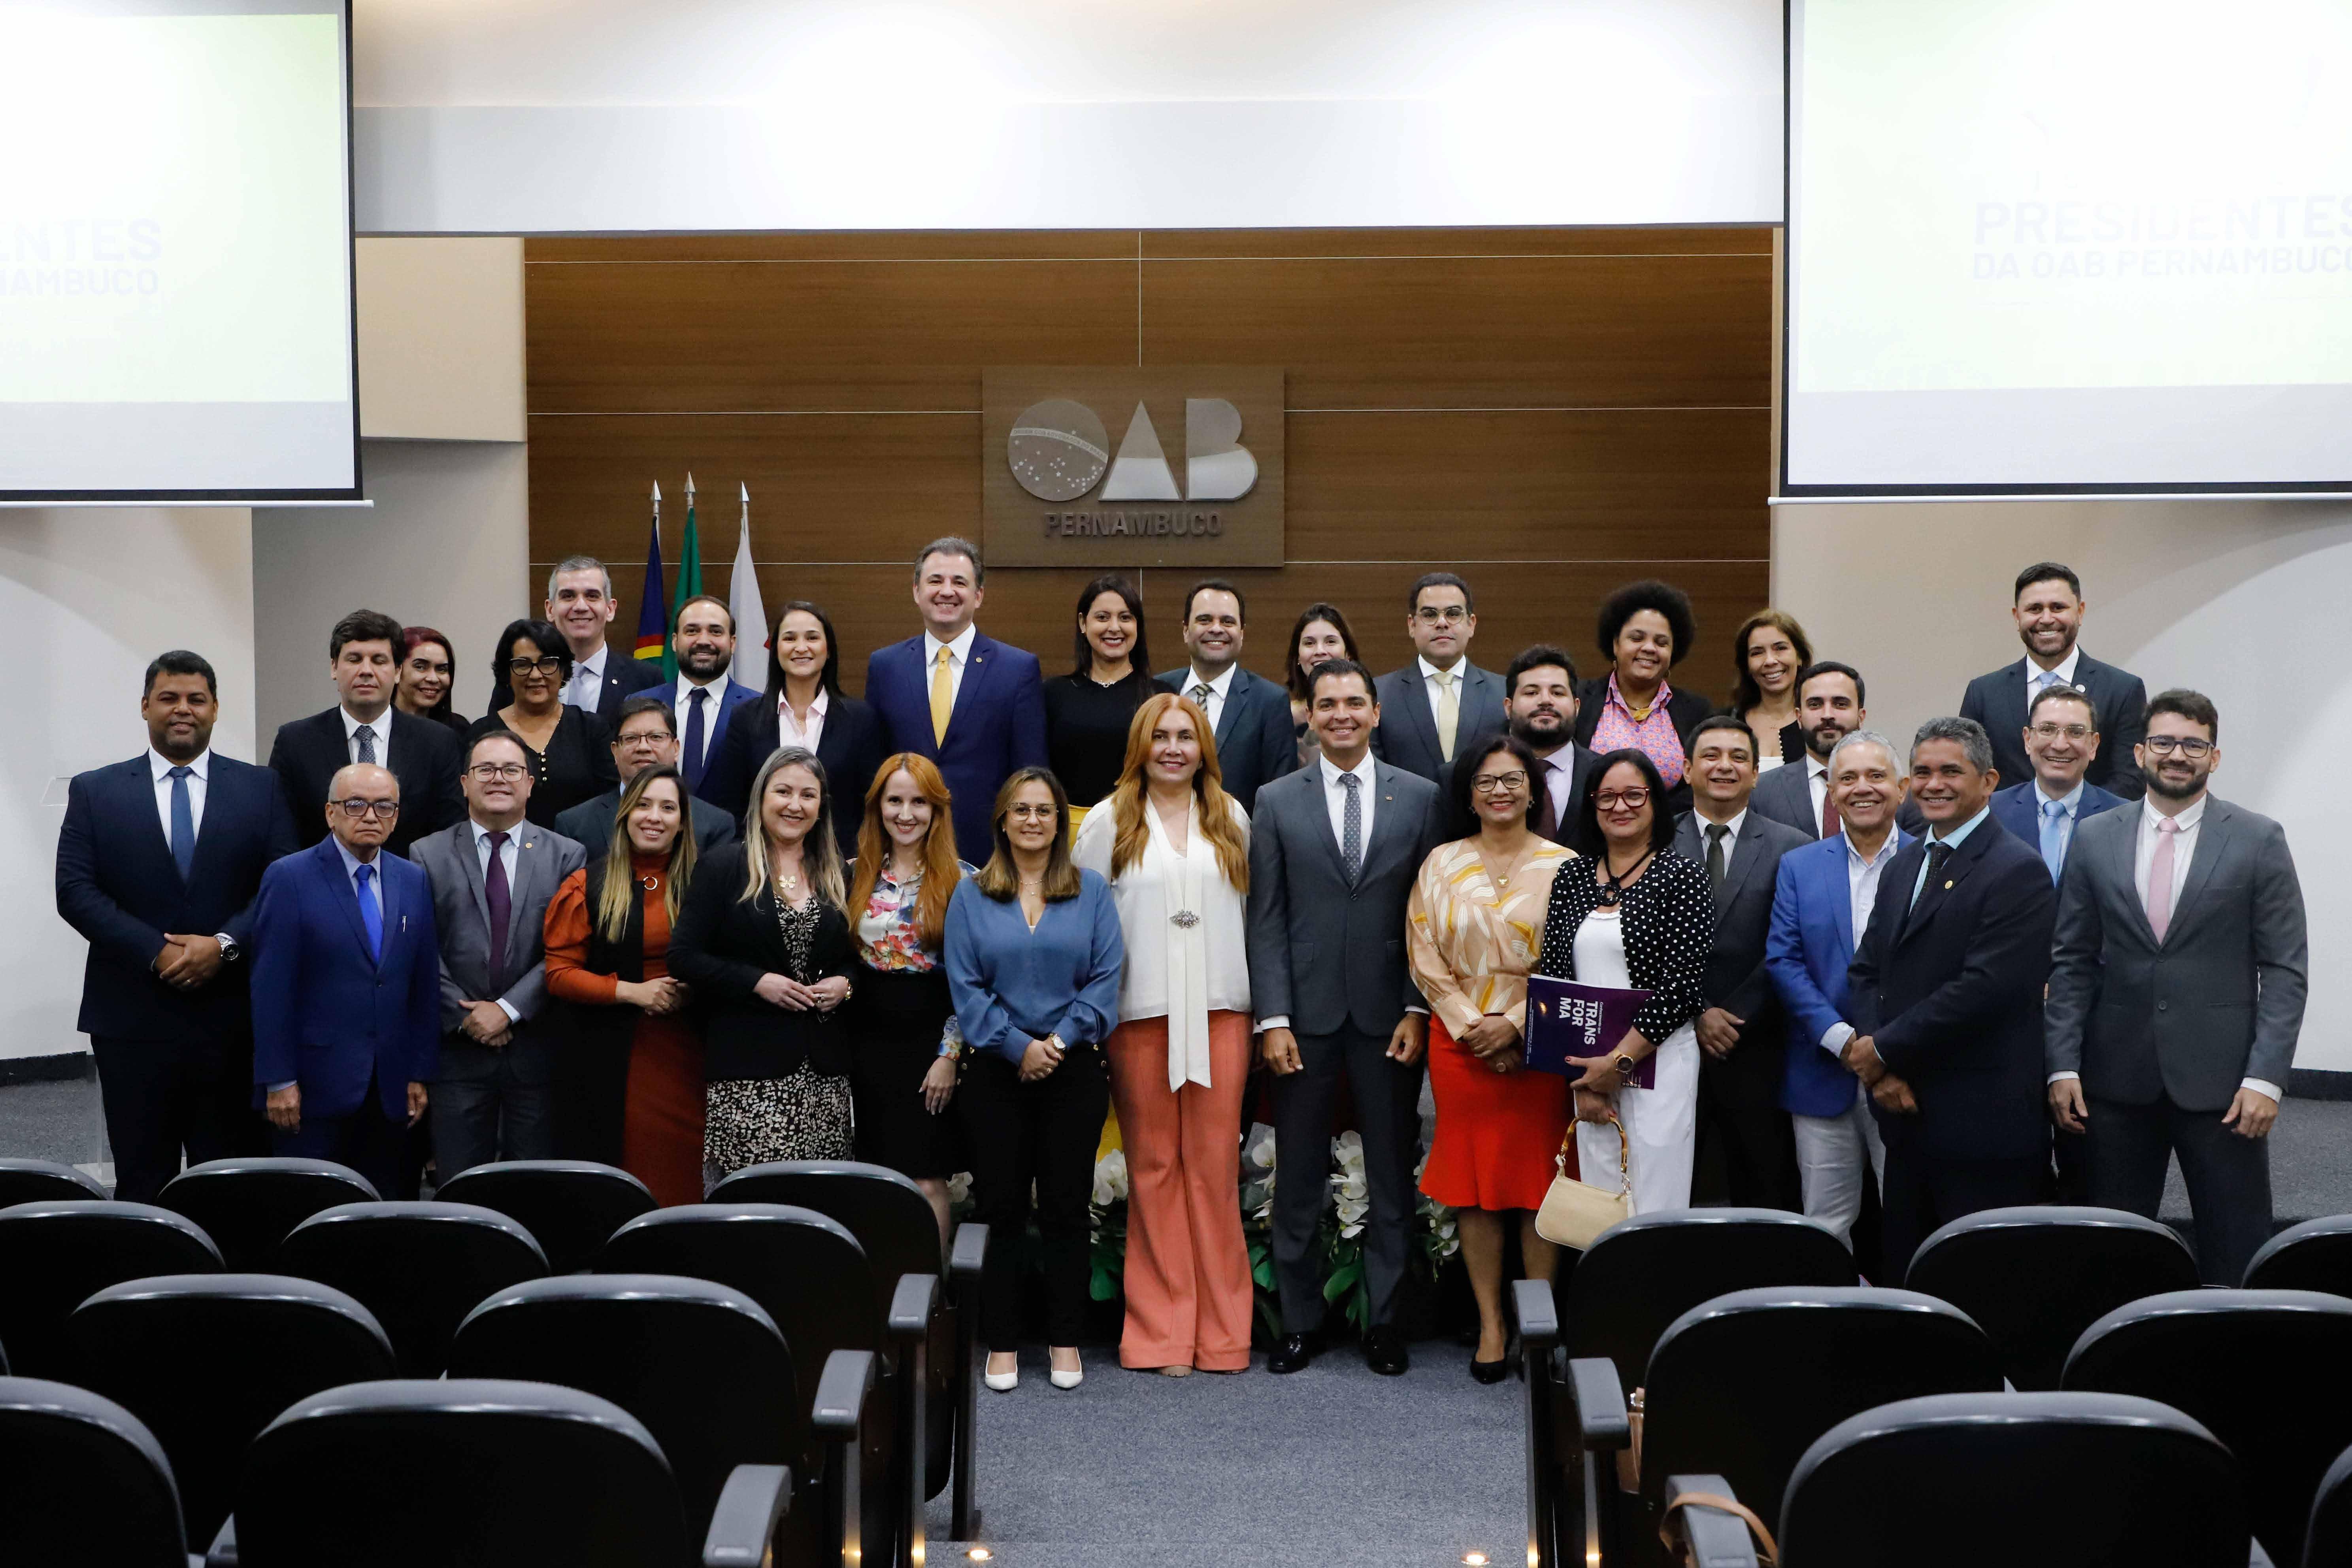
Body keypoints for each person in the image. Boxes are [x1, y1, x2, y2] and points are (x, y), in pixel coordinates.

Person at [2046, 691, 2309, 1285]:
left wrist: (2265, 1078)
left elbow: (2284, 969)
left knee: (2237, 1253)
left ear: (2213, 757)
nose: (2176, 754)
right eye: (2163, 741)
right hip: (2114, 1082)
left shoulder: (2257, 838)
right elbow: (2070, 961)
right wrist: (2061, 1064)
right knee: (2116, 1256)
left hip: (2225, 1089)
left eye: (2193, 744)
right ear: (2140, 752)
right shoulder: (2093, 837)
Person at [1246, 659, 1446, 1377]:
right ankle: (1299, 1323)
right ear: (1308, 713)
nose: (1340, 714)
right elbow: (1265, 918)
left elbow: (1427, 915)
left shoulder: (1420, 795)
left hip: (1390, 1014)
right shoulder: (1275, 799)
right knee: (1297, 1177)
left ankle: (1385, 1323)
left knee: (1391, 1174)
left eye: (1354, 702)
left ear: (1375, 712)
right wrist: (1272, 1017)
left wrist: (1417, 1005)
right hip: (1303, 1017)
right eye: (1326, 703)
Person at [55, 651, 300, 1202]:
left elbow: (282, 884)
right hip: (132, 1020)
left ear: (215, 709)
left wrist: (224, 944)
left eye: (196, 699)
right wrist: (155, 950)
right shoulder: (96, 790)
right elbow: (74, 891)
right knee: (143, 1178)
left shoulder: (261, 788)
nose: (182, 709)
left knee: (232, 1183)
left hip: (232, 1020)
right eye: (169, 698)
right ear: (146, 706)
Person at [1072, 695, 1255, 1377]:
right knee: (1153, 1168)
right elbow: (1085, 921)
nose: (1173, 748)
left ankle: (1224, 1335)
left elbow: (1252, 913)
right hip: (1139, 1014)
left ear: (1204, 746)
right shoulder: (1107, 820)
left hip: (1220, 1012)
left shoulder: (1231, 815)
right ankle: (1161, 1334)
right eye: (1160, 736)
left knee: (1214, 1168)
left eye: (1186, 736)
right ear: (1140, 746)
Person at [1844, 717, 2056, 1278]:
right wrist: (1879, 1066)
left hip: (1980, 1127)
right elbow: (1866, 971)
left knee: (1982, 1284)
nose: (1932, 784)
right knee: (1908, 1281)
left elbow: (1984, 989)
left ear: (1987, 781)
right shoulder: (1903, 865)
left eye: (1949, 772)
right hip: (1905, 1115)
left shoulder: (2018, 870)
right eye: (1921, 772)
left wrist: (1882, 1050)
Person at [945, 768, 1124, 1393]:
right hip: (994, 1071)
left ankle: (1063, 1337)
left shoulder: (1091, 890)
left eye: (1044, 810)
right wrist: (1017, 1045)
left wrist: (1056, 1042)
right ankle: (1001, 1340)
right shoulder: (971, 894)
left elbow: (1105, 978)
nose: (1032, 820)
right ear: (1002, 818)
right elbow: (965, 987)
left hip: (1071, 1067)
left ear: (1058, 821)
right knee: (998, 1206)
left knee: (1066, 1207)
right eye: (1020, 808)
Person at [1407, 734, 1576, 1382]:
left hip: (1540, 1038)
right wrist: (1470, 1023)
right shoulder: (1440, 862)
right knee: (1474, 1187)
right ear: (1468, 795)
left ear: (1533, 790)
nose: (1499, 790)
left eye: (1512, 779)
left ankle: (1538, 1325)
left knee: (1538, 1183)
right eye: (1485, 781)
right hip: (1460, 1041)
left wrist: (1513, 1023)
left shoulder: (1566, 865)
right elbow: (1422, 948)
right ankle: (1490, 1324)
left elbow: (1574, 958)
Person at [249, 763, 439, 1197]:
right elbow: (271, 989)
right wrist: (278, 1080)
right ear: (330, 813)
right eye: (356, 804)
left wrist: (419, 1073)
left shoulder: (412, 879)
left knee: (389, 1212)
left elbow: (423, 986)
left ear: (396, 817)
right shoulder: (289, 877)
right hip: (311, 1090)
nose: (370, 816)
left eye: (384, 806)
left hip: (392, 1089)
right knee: (313, 1211)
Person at [1537, 751, 1713, 1216]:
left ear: (1655, 802)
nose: (1620, 806)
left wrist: (1619, 1062)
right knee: (1600, 1206)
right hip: (1587, 1066)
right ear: (1591, 805)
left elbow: (1682, 986)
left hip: (1659, 1063)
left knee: (1654, 1202)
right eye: (1607, 797)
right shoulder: (1572, 875)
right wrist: (1585, 1081)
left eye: (1634, 795)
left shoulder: (1682, 875)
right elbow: (1555, 977)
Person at [671, 747, 858, 1177]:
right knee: (757, 1201)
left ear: (821, 807)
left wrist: (845, 986)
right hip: (748, 1070)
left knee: (822, 1200)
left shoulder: (838, 872)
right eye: (783, 791)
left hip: (825, 1076)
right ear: (761, 797)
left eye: (808, 795)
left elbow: (852, 960)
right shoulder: (723, 866)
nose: (795, 804)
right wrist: (756, 982)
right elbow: (683, 957)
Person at [411, 730, 587, 1179]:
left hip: (535, 1050)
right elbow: (419, 949)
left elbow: (567, 949)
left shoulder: (567, 855)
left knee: (532, 1187)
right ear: (464, 783)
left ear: (529, 783)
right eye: (485, 769)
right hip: (457, 1052)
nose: (498, 779)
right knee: (458, 1187)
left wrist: (507, 1010)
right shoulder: (426, 854)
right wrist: (467, 1015)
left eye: (511, 770)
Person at [1765, 732, 1912, 1249]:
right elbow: (1782, 961)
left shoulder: (1931, 861)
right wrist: (1843, 1041)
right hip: (1820, 1070)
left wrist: (1887, 1048)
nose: (1861, 788)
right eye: (1847, 778)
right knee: (1824, 1225)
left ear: (1901, 788)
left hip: (1908, 1073)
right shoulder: (1799, 865)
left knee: (1908, 1216)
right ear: (1831, 794)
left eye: (1875, 775)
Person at [544, 763, 707, 1206]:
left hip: (695, 1052)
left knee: (687, 1172)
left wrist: (696, 986)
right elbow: (558, 974)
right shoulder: (588, 883)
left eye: (668, 807)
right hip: (616, 1057)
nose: (654, 817)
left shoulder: (707, 883)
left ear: (683, 821)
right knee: (634, 1167)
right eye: (643, 805)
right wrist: (633, 992)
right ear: (624, 814)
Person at [1675, 717, 1809, 1209]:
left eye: (1738, 757)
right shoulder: (1653, 843)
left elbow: (1791, 945)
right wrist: (1697, 1012)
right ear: (1686, 769)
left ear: (1755, 773)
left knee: (1764, 1189)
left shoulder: (1793, 846)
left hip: (1757, 1046)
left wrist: (1733, 1017)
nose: (1724, 766)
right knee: (1673, 1187)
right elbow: (1643, 948)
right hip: (1670, 1042)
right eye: (1710, 755)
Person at [845, 754, 972, 1244]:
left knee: (925, 1180)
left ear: (936, 809)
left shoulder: (964, 880)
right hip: (864, 1045)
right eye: (894, 800)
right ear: (877, 807)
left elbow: (972, 979)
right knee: (870, 1177)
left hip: (929, 1049)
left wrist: (949, 1056)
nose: (905, 813)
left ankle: (932, 1288)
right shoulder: (851, 874)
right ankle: (878, 1284)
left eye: (918, 802)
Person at [864, 538, 1047, 867]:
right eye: (935, 581)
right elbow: (875, 768)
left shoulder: (1017, 669)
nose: (946, 591)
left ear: (978, 595)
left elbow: (1029, 776)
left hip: (989, 856)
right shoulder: (885, 666)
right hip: (903, 852)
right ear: (917, 591)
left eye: (959, 582)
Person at [268, 608, 464, 860]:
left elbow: (448, 834)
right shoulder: (295, 741)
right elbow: (280, 834)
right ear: (334, 668)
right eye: (354, 659)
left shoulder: (437, 742)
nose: (366, 671)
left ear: (397, 671)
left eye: (379, 661)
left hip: (411, 879)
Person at [698, 600, 884, 861]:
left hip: (841, 866)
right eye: (789, 638)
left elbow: (871, 805)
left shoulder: (861, 719)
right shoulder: (746, 718)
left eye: (812, 638)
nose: (801, 647)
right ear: (776, 650)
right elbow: (731, 804)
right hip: (760, 866)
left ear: (829, 650)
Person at [1960, 562, 2148, 800]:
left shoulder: (2123, 690)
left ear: (2080, 612)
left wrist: (2075, 816)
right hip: (2003, 822)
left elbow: (2130, 779)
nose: (2047, 619)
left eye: (2058, 608)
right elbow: (1969, 775)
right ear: (2017, 617)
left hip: (2093, 822)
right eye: (2035, 609)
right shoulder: (1983, 693)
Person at [1155, 579, 1297, 813]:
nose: (1216, 629)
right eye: (1204, 620)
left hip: (1238, 833)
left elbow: (1281, 796)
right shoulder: (1156, 690)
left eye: (1227, 621)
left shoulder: (1271, 702)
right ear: (1186, 631)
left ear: (1242, 633)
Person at [1574, 580, 1714, 816]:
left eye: (1661, 642)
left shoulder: (1697, 711)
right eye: (1637, 638)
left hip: (1670, 832)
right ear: (1616, 644)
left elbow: (1699, 787)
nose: (1649, 648)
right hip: (1591, 829)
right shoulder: (1580, 700)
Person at [466, 619, 620, 828]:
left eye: (547, 663)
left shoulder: (592, 729)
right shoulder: (482, 733)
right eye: (523, 665)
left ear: (563, 670)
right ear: (507, 673)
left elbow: (610, 804)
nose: (536, 675)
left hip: (582, 846)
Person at [556, 696, 737, 859]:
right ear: (615, 751)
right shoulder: (575, 825)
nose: (643, 747)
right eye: (631, 738)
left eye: (655, 737)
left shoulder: (716, 824)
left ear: (676, 748)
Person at [494, 556, 663, 722]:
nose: (580, 607)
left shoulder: (646, 679)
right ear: (550, 610)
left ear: (610, 610)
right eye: (568, 596)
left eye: (592, 596)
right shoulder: (519, 677)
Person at [1375, 572, 1505, 785]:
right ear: (1412, 625)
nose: (1442, 623)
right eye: (1430, 615)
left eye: (1453, 614)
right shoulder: (1379, 694)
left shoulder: (1504, 693)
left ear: (1471, 624)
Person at [1043, 575, 1156, 809]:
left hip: (1138, 822)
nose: (1114, 628)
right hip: (1068, 825)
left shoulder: (1160, 696)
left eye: (1125, 618)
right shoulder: (1052, 694)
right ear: (1083, 623)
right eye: (1103, 617)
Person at [1989, 683, 2124, 875]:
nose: (2060, 745)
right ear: (2028, 740)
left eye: (2076, 732)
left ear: (2093, 745)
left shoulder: (2123, 819)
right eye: (2047, 730)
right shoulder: (1991, 812)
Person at [645, 594, 760, 799]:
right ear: (675, 641)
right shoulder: (643, 704)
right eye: (692, 631)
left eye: (716, 631)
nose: (704, 641)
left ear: (732, 643)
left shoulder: (760, 709)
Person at [1748, 661, 1868, 841]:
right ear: (1799, 717)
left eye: (1840, 704)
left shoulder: (1890, 791)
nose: (1827, 715)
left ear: (1861, 717)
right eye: (1815, 705)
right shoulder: (1761, 792)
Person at [1504, 645, 1599, 848]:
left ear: (1577, 707)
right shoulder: (1473, 775)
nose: (1546, 701)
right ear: (1508, 707)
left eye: (1557, 693)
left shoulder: (1604, 773)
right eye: (1532, 693)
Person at [1726, 610, 1813, 770]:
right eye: (1757, 653)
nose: (1770, 661)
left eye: (1780, 648)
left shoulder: (1817, 723)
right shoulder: (1727, 722)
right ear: (1746, 665)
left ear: (1800, 657)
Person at [1284, 601, 1362, 769]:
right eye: (1309, 643)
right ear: (1298, 657)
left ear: (1348, 653)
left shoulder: (1366, 712)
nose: (1320, 651)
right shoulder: (1283, 717)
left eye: (1331, 642)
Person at [394, 626, 468, 736]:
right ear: (397, 670)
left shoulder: (460, 730)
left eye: (442, 669)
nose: (433, 679)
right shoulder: (376, 726)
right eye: (420, 667)